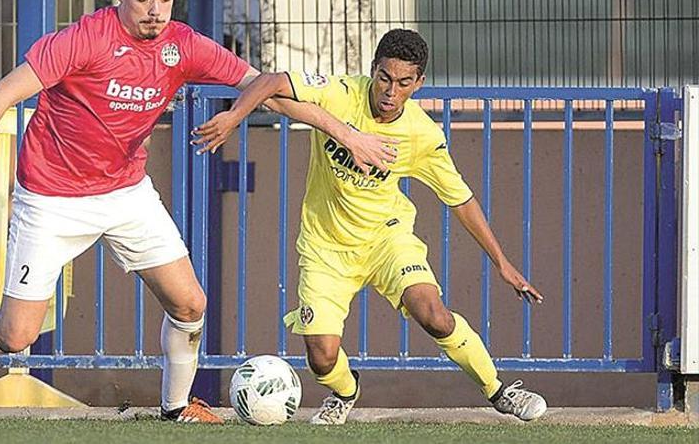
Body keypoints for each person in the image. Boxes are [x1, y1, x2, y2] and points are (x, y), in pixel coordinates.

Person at [0, 0, 394, 423]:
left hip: (125, 193)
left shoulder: (182, 44)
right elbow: (1, 94)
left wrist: (348, 135)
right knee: (15, 336)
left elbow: (267, 87)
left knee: (190, 304)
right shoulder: (83, 39)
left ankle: (176, 407)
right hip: (51, 196)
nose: (155, 10)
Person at [192, 29, 548, 425]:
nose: (390, 91)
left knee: (434, 314)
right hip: (325, 246)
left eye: (403, 83)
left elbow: (460, 199)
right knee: (321, 355)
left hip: (386, 239)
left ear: (419, 83)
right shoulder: (340, 93)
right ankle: (345, 391)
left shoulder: (423, 135)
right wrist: (234, 117)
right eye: (384, 77)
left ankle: (498, 391)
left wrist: (502, 262)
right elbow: (273, 82)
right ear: (373, 70)